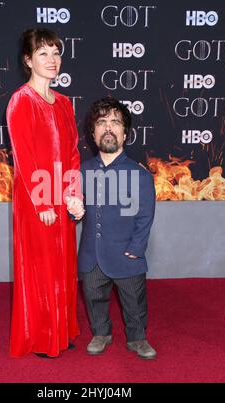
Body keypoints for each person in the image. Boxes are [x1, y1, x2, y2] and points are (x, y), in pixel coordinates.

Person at [6, 28, 84, 358]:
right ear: (28, 60)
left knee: (63, 267)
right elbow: (24, 157)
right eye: (43, 54)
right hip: (34, 199)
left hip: (59, 196)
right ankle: (41, 337)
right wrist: (42, 202)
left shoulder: (65, 103)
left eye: (55, 53)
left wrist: (72, 195)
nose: (52, 60)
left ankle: (62, 330)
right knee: (41, 269)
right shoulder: (21, 101)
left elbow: (72, 154)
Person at [78, 97, 156, 359]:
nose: (108, 128)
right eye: (101, 123)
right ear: (93, 132)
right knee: (93, 297)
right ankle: (101, 333)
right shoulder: (81, 171)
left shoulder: (140, 174)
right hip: (92, 255)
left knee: (134, 301)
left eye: (115, 122)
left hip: (127, 255)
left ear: (125, 133)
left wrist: (137, 248)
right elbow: (74, 209)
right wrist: (72, 208)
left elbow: (145, 216)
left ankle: (137, 337)